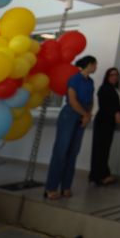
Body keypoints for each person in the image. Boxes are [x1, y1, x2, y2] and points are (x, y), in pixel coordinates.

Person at [44, 55, 97, 200]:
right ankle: (51, 187)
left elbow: (91, 99)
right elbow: (72, 99)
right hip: (70, 114)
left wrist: (88, 114)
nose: (95, 67)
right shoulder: (74, 79)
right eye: (94, 64)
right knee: (61, 151)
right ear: (89, 65)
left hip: (83, 114)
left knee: (73, 152)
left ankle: (66, 186)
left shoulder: (90, 81)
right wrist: (84, 114)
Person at [90, 67, 120, 186]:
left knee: (105, 149)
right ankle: (99, 176)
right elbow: (106, 105)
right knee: (100, 149)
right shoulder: (104, 89)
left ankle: (103, 174)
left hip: (109, 122)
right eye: (112, 75)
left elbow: (115, 106)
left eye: (116, 75)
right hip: (103, 122)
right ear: (107, 76)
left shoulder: (114, 90)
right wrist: (116, 112)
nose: (114, 77)